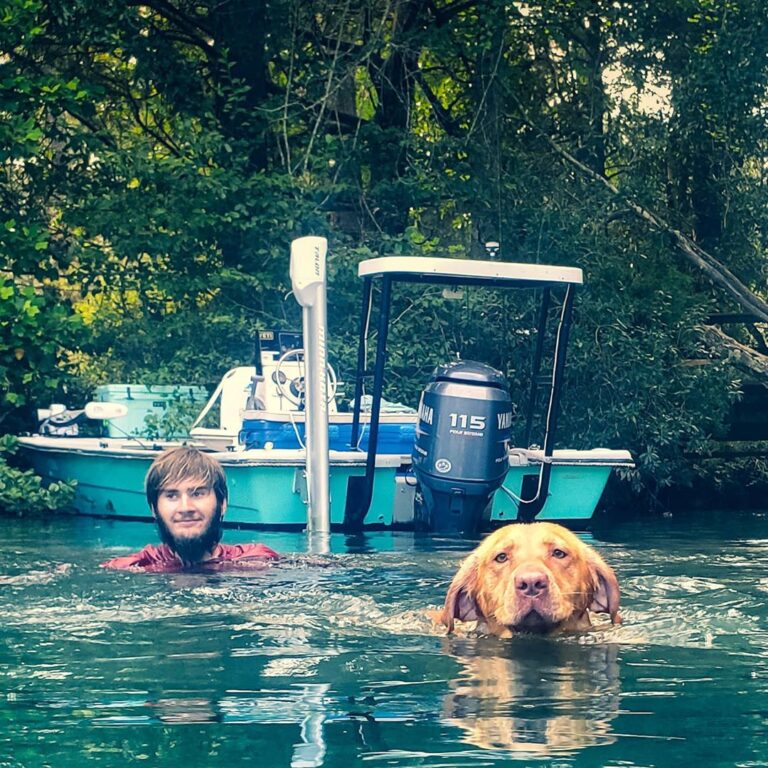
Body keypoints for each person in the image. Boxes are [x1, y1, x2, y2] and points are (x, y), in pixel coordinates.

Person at [101, 446, 278, 571]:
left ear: (222, 503)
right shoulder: (132, 568)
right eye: (172, 495)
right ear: (154, 509)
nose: (185, 507)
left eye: (197, 493)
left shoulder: (258, 561)